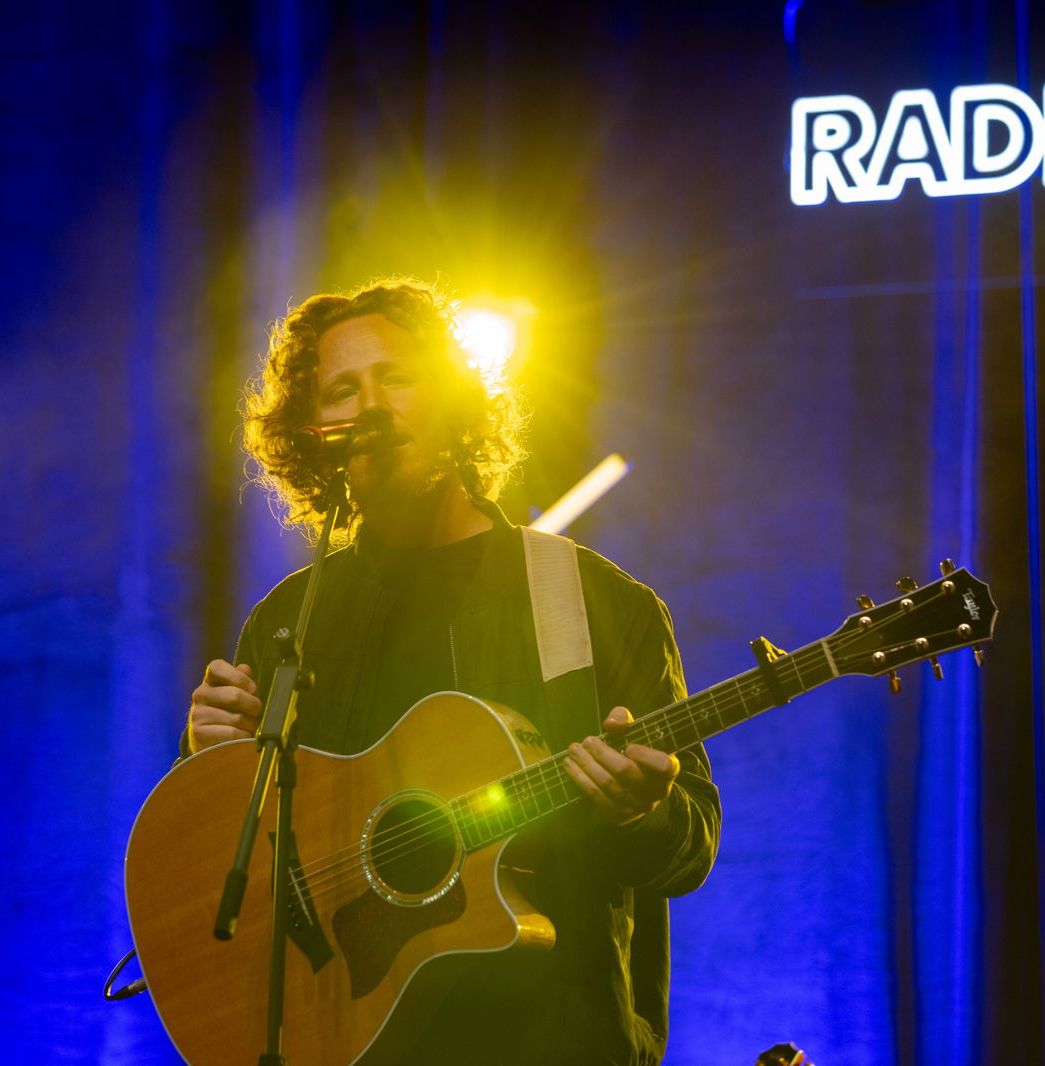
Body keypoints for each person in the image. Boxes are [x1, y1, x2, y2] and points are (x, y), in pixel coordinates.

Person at [183, 278, 720, 1065]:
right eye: (343, 389)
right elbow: (227, 869)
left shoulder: (593, 600)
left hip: (552, 1040)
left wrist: (644, 811)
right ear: (316, 433)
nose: (371, 407)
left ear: (455, 397)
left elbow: (692, 847)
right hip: (344, 1038)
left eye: (396, 377)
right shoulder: (291, 620)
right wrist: (213, 760)